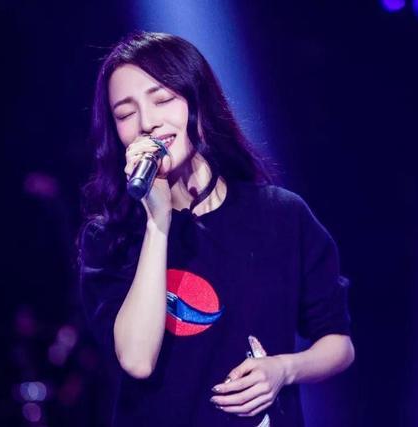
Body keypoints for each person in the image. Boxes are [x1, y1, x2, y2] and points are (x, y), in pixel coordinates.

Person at [77, 31, 354, 427]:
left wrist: (283, 370)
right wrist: (157, 223)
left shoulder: (281, 216)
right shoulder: (110, 238)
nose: (147, 122)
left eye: (162, 99)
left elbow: (338, 343)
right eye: (125, 114)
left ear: (198, 102)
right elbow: (137, 360)